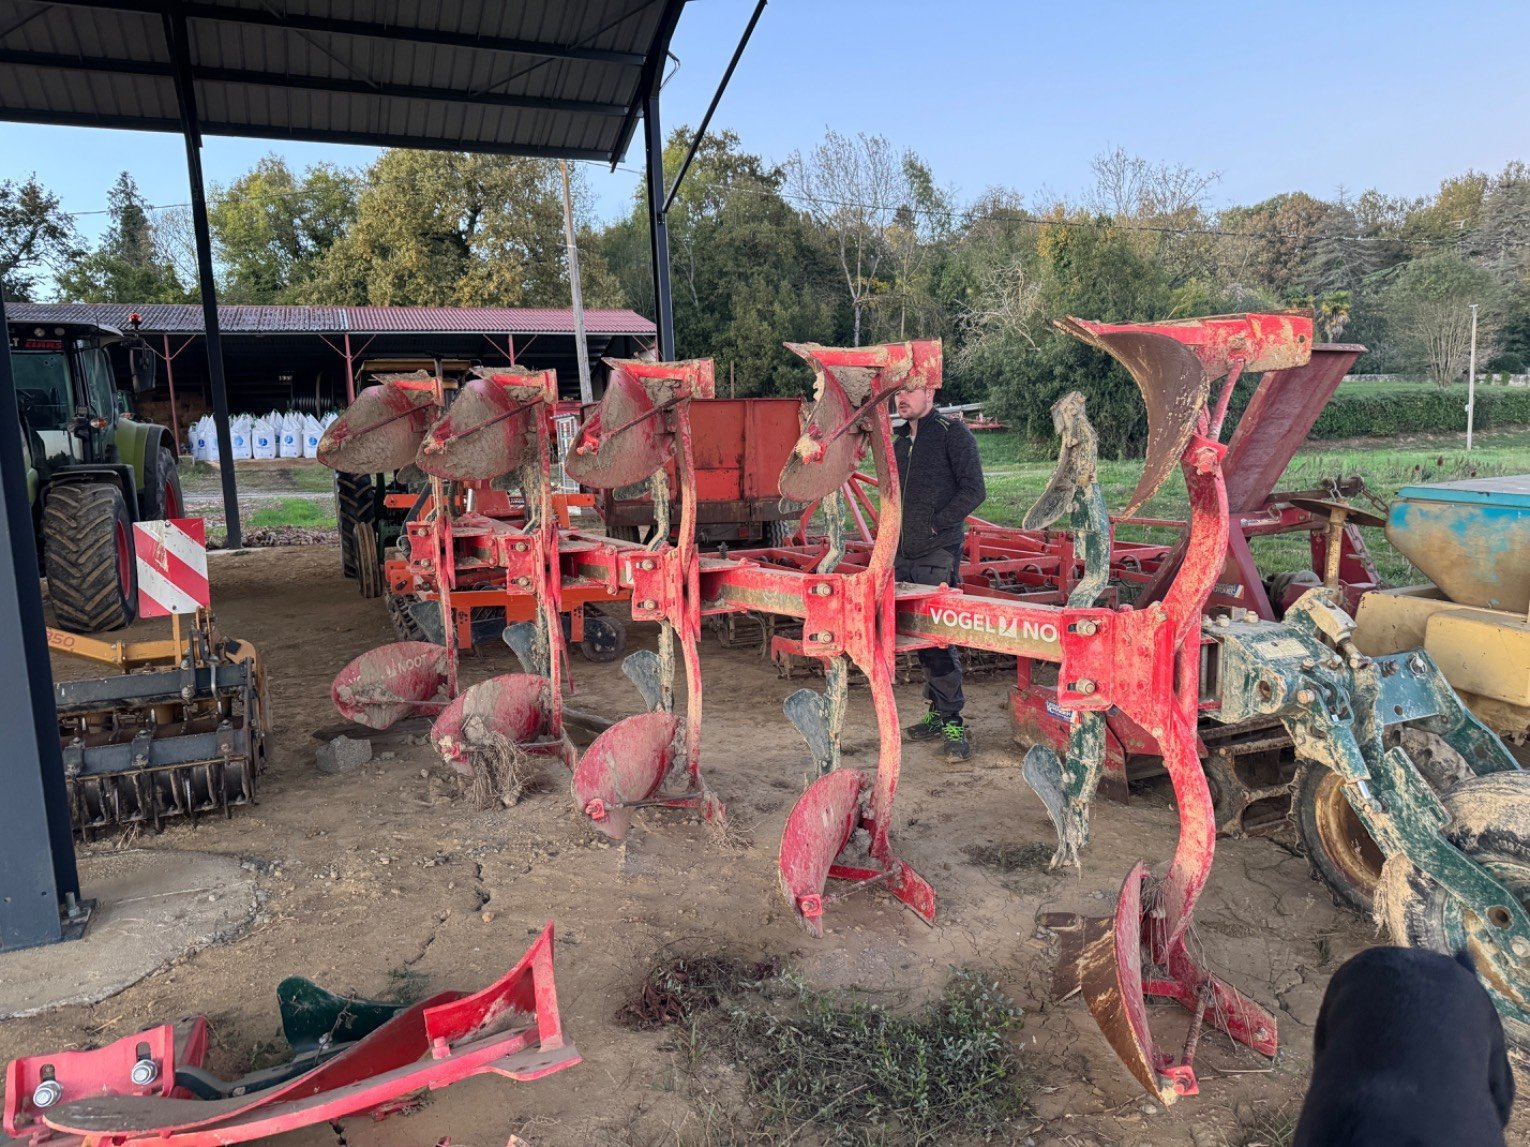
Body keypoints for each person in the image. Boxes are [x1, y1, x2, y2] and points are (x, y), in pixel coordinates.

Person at [893, 385, 987, 761]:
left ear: (930, 392)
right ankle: (935, 713)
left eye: (910, 391)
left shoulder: (953, 434)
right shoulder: (899, 443)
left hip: (937, 550)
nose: (901, 398)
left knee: (937, 637)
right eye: (897, 392)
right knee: (916, 634)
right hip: (902, 553)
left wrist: (936, 525)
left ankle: (953, 722)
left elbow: (974, 490)